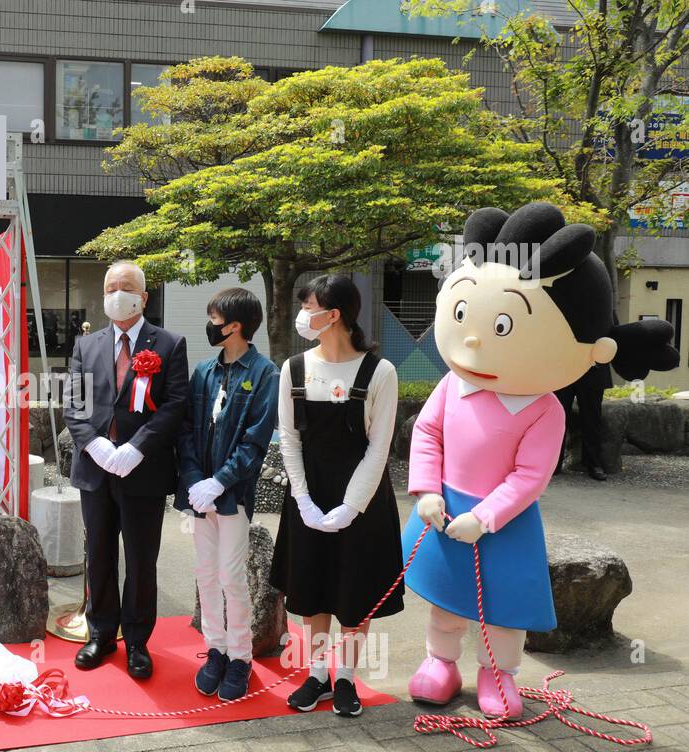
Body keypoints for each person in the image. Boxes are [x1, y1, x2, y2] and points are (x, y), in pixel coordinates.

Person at [404, 202, 679, 718]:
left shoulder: (543, 409)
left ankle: (497, 674)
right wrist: (427, 489)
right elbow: (427, 432)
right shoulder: (451, 384)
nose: (472, 338)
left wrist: (484, 517)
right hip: (443, 513)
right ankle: (440, 662)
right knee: (446, 602)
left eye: (500, 325)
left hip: (502, 525)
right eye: (462, 314)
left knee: (501, 614)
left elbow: (530, 476)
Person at [270, 274, 404, 717]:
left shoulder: (380, 371)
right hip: (309, 492)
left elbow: (379, 447)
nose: (303, 316)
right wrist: (303, 501)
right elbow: (288, 439)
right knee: (313, 588)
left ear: (335, 314)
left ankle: (345, 677)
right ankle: (318, 673)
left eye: (309, 306)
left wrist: (350, 507)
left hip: (361, 499)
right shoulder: (293, 368)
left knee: (352, 590)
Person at [63, 260, 188, 680]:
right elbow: (74, 406)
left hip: (143, 472)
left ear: (144, 297)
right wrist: (96, 444)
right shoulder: (87, 345)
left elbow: (173, 405)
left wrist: (137, 448)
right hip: (95, 472)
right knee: (98, 553)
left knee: (140, 558)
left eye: (126, 287)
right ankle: (100, 633)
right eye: (111, 287)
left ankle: (137, 641)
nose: (118, 293)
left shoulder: (169, 344)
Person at [175, 288, 280, 700]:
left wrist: (219, 481)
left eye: (215, 317)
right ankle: (215, 649)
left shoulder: (265, 373)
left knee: (232, 577)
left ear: (234, 325)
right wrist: (194, 480)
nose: (211, 324)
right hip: (199, 496)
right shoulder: (203, 371)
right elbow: (185, 431)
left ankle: (240, 656)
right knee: (205, 573)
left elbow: (255, 441)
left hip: (233, 495)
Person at [555, 362, 612, 481]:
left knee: (592, 418)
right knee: (556, 417)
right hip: (563, 366)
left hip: (594, 365)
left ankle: (594, 463)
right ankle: (553, 463)